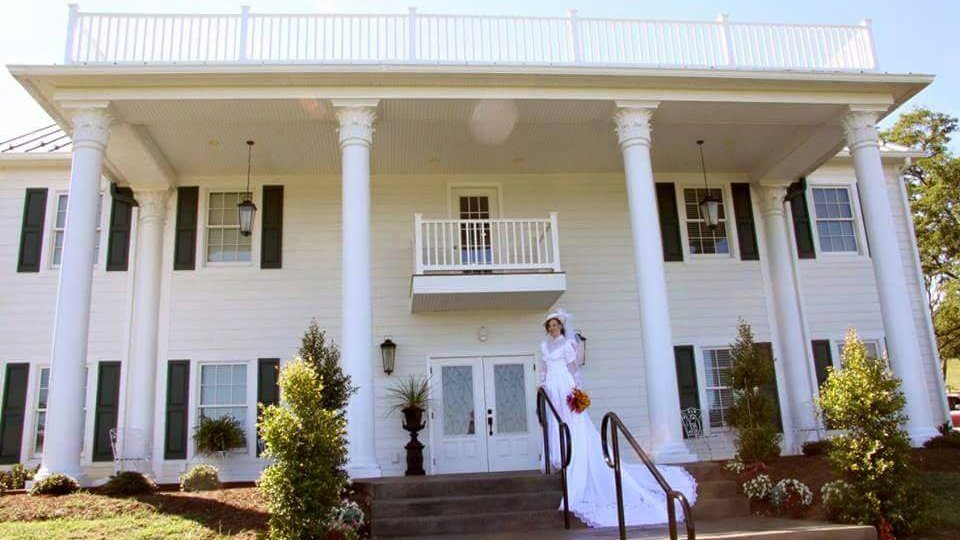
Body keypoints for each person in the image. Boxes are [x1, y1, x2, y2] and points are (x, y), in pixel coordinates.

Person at [538, 309, 698, 527]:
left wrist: (577, 391)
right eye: (550, 325)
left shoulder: (568, 344)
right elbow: (545, 369)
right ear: (547, 328)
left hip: (565, 384)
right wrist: (543, 385)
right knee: (556, 421)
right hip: (552, 386)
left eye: (556, 324)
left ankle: (575, 454)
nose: (553, 327)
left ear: (561, 326)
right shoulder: (545, 346)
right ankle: (559, 455)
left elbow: (573, 368)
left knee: (571, 420)